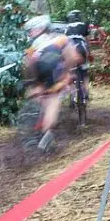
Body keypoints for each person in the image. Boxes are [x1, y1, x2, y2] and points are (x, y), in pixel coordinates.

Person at [22, 15, 86, 151]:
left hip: (35, 63)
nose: (30, 33)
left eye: (31, 31)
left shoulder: (33, 45)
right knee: (53, 99)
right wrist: (67, 73)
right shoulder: (60, 38)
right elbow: (72, 57)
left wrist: (35, 83)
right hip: (50, 62)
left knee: (39, 93)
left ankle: (35, 121)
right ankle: (47, 132)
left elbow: (29, 64)